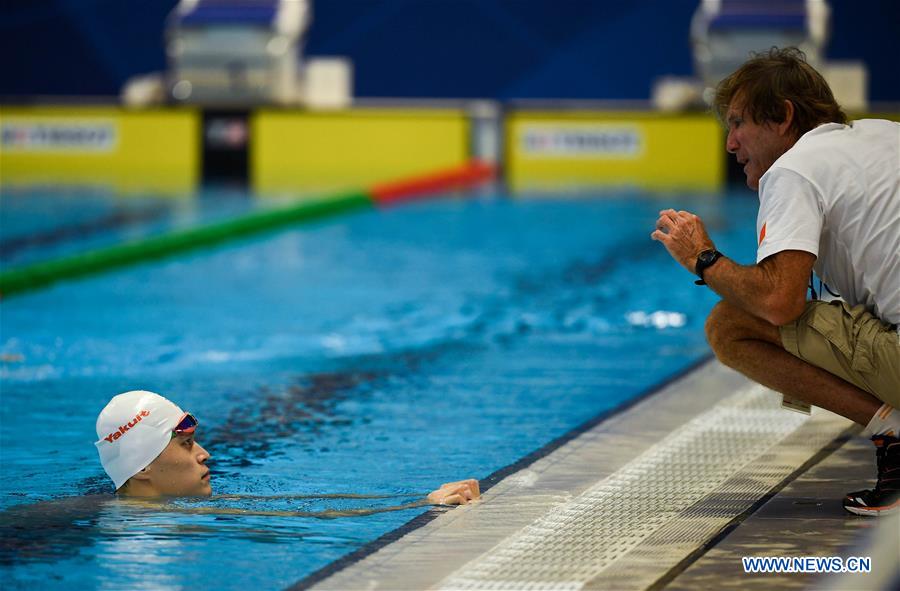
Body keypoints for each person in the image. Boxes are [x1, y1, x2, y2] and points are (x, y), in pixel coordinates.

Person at [650, 47, 899, 517]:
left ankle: (892, 432)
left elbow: (778, 303)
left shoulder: (793, 169)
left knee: (731, 326)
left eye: (739, 123)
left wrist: (704, 259)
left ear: (783, 117)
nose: (730, 143)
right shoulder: (885, 134)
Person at [95, 390, 480, 510]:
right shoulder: (141, 529)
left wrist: (417, 498)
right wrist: (421, 505)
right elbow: (295, 523)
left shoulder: (163, 509)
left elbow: (298, 503)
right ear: (141, 465)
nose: (205, 454)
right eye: (187, 444)